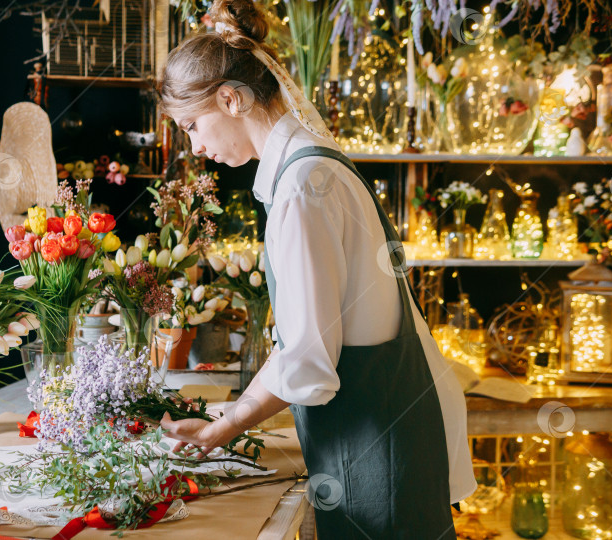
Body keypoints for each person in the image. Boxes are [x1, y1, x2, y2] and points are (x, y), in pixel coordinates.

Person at [157, 0, 477, 537]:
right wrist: (224, 420)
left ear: (230, 99)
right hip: (384, 440)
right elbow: (301, 343)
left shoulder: (304, 187)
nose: (196, 147)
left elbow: (308, 359)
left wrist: (229, 425)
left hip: (374, 454)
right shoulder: (309, 165)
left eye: (192, 126)